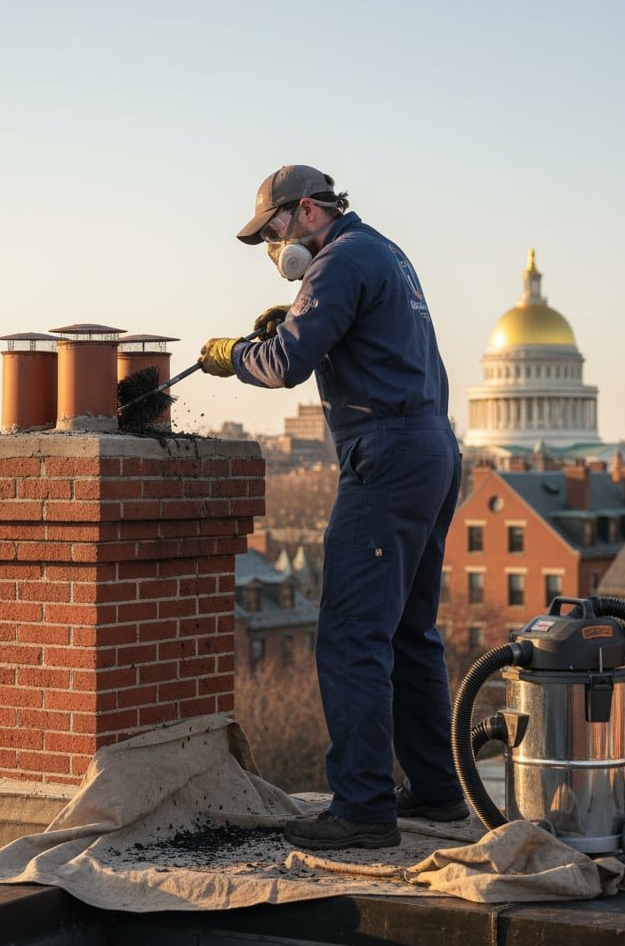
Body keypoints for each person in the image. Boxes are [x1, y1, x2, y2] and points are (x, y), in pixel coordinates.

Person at [198, 165, 469, 850]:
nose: (272, 250)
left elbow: (285, 364)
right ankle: (437, 792)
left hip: (387, 455)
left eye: (273, 231)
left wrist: (236, 354)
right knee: (409, 631)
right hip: (432, 448)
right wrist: (292, 319)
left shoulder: (340, 260)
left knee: (351, 635)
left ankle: (364, 809)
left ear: (308, 212)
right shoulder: (384, 251)